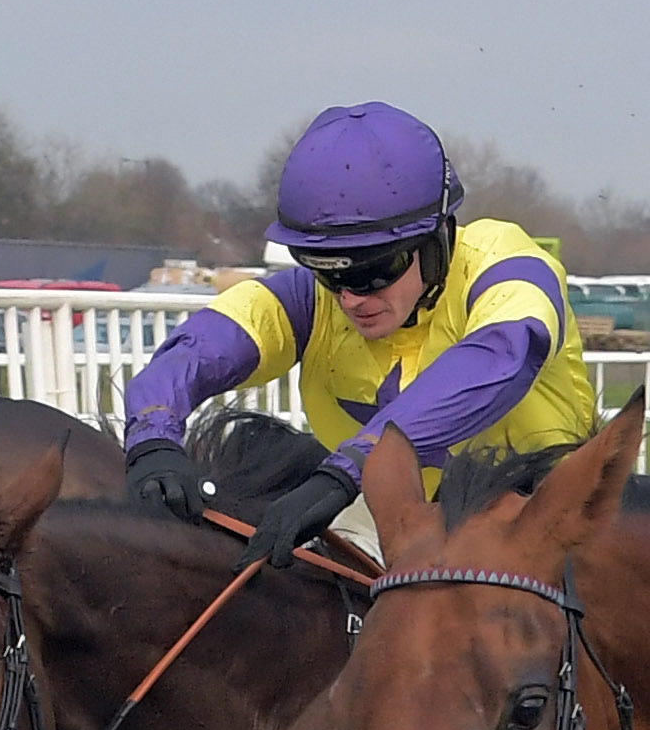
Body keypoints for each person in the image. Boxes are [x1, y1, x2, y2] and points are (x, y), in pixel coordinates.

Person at [116, 103, 596, 564]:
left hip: (555, 520)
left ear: (439, 239)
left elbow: (500, 357)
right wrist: (153, 438)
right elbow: (205, 344)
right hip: (408, 527)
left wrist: (352, 467)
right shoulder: (317, 298)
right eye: (329, 274)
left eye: (374, 272)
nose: (350, 299)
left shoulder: (508, 266)